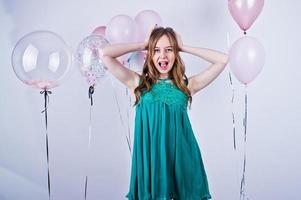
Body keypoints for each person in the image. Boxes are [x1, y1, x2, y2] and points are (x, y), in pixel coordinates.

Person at [100, 27, 228, 200]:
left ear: (176, 54)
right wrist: (144, 44)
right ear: (150, 55)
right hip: (151, 164)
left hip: (183, 160)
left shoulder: (187, 86)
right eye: (156, 50)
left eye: (169, 50)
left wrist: (183, 46)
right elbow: (105, 54)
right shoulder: (138, 83)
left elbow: (222, 59)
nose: (163, 56)